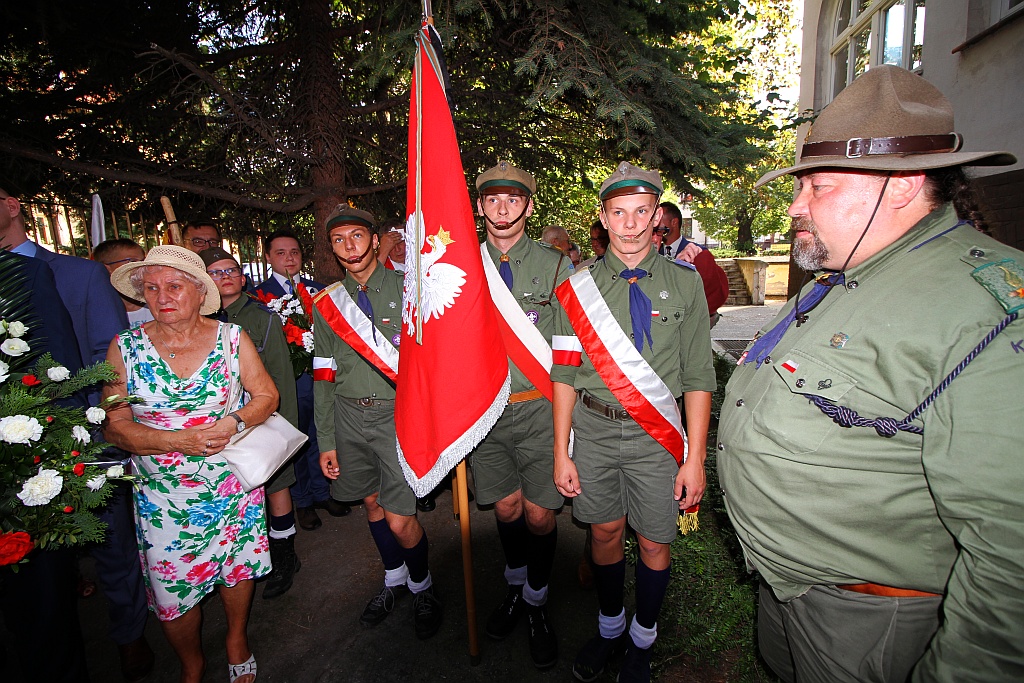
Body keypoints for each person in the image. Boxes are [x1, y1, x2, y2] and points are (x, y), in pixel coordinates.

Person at [717, 65, 1024, 683]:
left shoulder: (988, 308)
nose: (795, 206)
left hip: (866, 620)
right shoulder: (845, 275)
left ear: (903, 186)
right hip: (790, 590)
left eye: (818, 187)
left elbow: (1011, 549)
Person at [552, 162, 715, 683]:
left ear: (656, 217)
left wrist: (695, 458)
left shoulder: (685, 284)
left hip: (655, 435)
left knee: (653, 540)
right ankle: (609, 628)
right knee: (604, 531)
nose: (629, 224)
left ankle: (643, 638)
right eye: (618, 213)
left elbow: (698, 376)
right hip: (595, 430)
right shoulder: (576, 287)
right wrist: (561, 451)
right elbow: (564, 374)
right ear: (603, 218)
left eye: (641, 212)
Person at [104, 245, 279, 683]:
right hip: (164, 494)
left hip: (232, 484)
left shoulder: (232, 338)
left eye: (175, 286)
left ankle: (236, 639)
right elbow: (115, 425)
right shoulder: (124, 347)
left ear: (201, 292)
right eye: (151, 288)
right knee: (172, 589)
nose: (162, 296)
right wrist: (176, 441)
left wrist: (234, 421)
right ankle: (191, 663)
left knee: (237, 568)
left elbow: (266, 396)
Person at [0, 188, 154, 682]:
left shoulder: (80, 275)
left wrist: (101, 428)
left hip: (84, 439)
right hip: (12, 453)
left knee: (111, 541)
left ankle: (130, 633)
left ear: (12, 204)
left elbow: (109, 359)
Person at [312, 204, 443, 638]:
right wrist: (326, 440)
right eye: (338, 240)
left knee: (400, 518)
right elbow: (323, 374)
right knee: (370, 504)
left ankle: (422, 585)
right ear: (332, 248)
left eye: (356, 236)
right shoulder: (327, 303)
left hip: (396, 415)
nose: (349, 246)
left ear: (373, 239)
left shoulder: (411, 290)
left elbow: (435, 360)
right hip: (348, 417)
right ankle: (394, 579)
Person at [472, 162, 572, 669]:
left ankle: (536, 599)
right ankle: (515, 585)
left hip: (538, 407)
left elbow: (568, 349)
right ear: (481, 206)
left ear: (528, 207)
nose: (503, 208)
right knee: (507, 508)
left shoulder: (555, 266)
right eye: (493, 199)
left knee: (538, 512)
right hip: (484, 412)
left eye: (513, 199)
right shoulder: (461, 266)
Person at [201, 246, 304, 599]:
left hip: (257, 420)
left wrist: (284, 429)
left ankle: (284, 554)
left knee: (275, 485)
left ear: (243, 278)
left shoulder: (261, 317)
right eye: (216, 272)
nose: (225, 277)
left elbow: (280, 376)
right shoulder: (197, 319)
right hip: (214, 428)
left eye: (231, 270)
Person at [254, 229, 350, 531]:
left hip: (320, 379)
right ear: (268, 257)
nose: (289, 258)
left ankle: (323, 493)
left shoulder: (319, 291)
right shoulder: (258, 297)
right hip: (286, 384)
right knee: (293, 442)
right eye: (280, 253)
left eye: (294, 252)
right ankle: (303, 500)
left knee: (320, 436)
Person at [656, 202, 730, 327]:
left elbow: (712, 292)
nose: (655, 223)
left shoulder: (698, 253)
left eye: (659, 219)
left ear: (674, 222)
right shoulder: (655, 252)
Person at [95, 238, 154, 326]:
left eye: (143, 261)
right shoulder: (99, 313)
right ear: (106, 269)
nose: (140, 266)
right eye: (132, 261)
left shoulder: (158, 302)